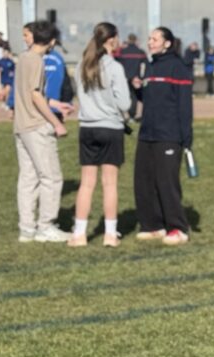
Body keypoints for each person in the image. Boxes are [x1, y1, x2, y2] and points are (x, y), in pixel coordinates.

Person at [68, 22, 132, 248]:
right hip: (110, 128)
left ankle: (79, 234)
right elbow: (125, 102)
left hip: (87, 127)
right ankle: (110, 234)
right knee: (109, 184)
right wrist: (113, 105)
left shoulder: (81, 65)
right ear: (111, 39)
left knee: (86, 184)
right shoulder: (114, 67)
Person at [131, 27, 193, 245]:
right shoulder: (149, 66)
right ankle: (152, 225)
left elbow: (185, 106)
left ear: (167, 43)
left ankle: (177, 228)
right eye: (149, 38)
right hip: (147, 132)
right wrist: (138, 88)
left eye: (155, 39)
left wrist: (186, 138)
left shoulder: (178, 67)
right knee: (144, 181)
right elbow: (148, 99)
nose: (150, 42)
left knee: (167, 182)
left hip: (169, 135)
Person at [13, 20, 71, 243]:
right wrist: (56, 123)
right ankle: (45, 226)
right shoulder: (37, 60)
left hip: (21, 126)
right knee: (52, 178)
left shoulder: (23, 58)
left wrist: (56, 104)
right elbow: (35, 96)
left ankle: (26, 229)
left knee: (28, 178)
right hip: (36, 126)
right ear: (52, 41)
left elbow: (30, 92)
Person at [115, 33, 146, 120]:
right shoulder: (141, 52)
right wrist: (142, 77)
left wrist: (120, 47)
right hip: (137, 77)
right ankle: (138, 114)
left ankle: (126, 115)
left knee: (124, 95)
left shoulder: (123, 52)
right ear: (136, 40)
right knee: (140, 96)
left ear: (128, 40)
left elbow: (115, 59)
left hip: (125, 77)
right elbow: (145, 64)